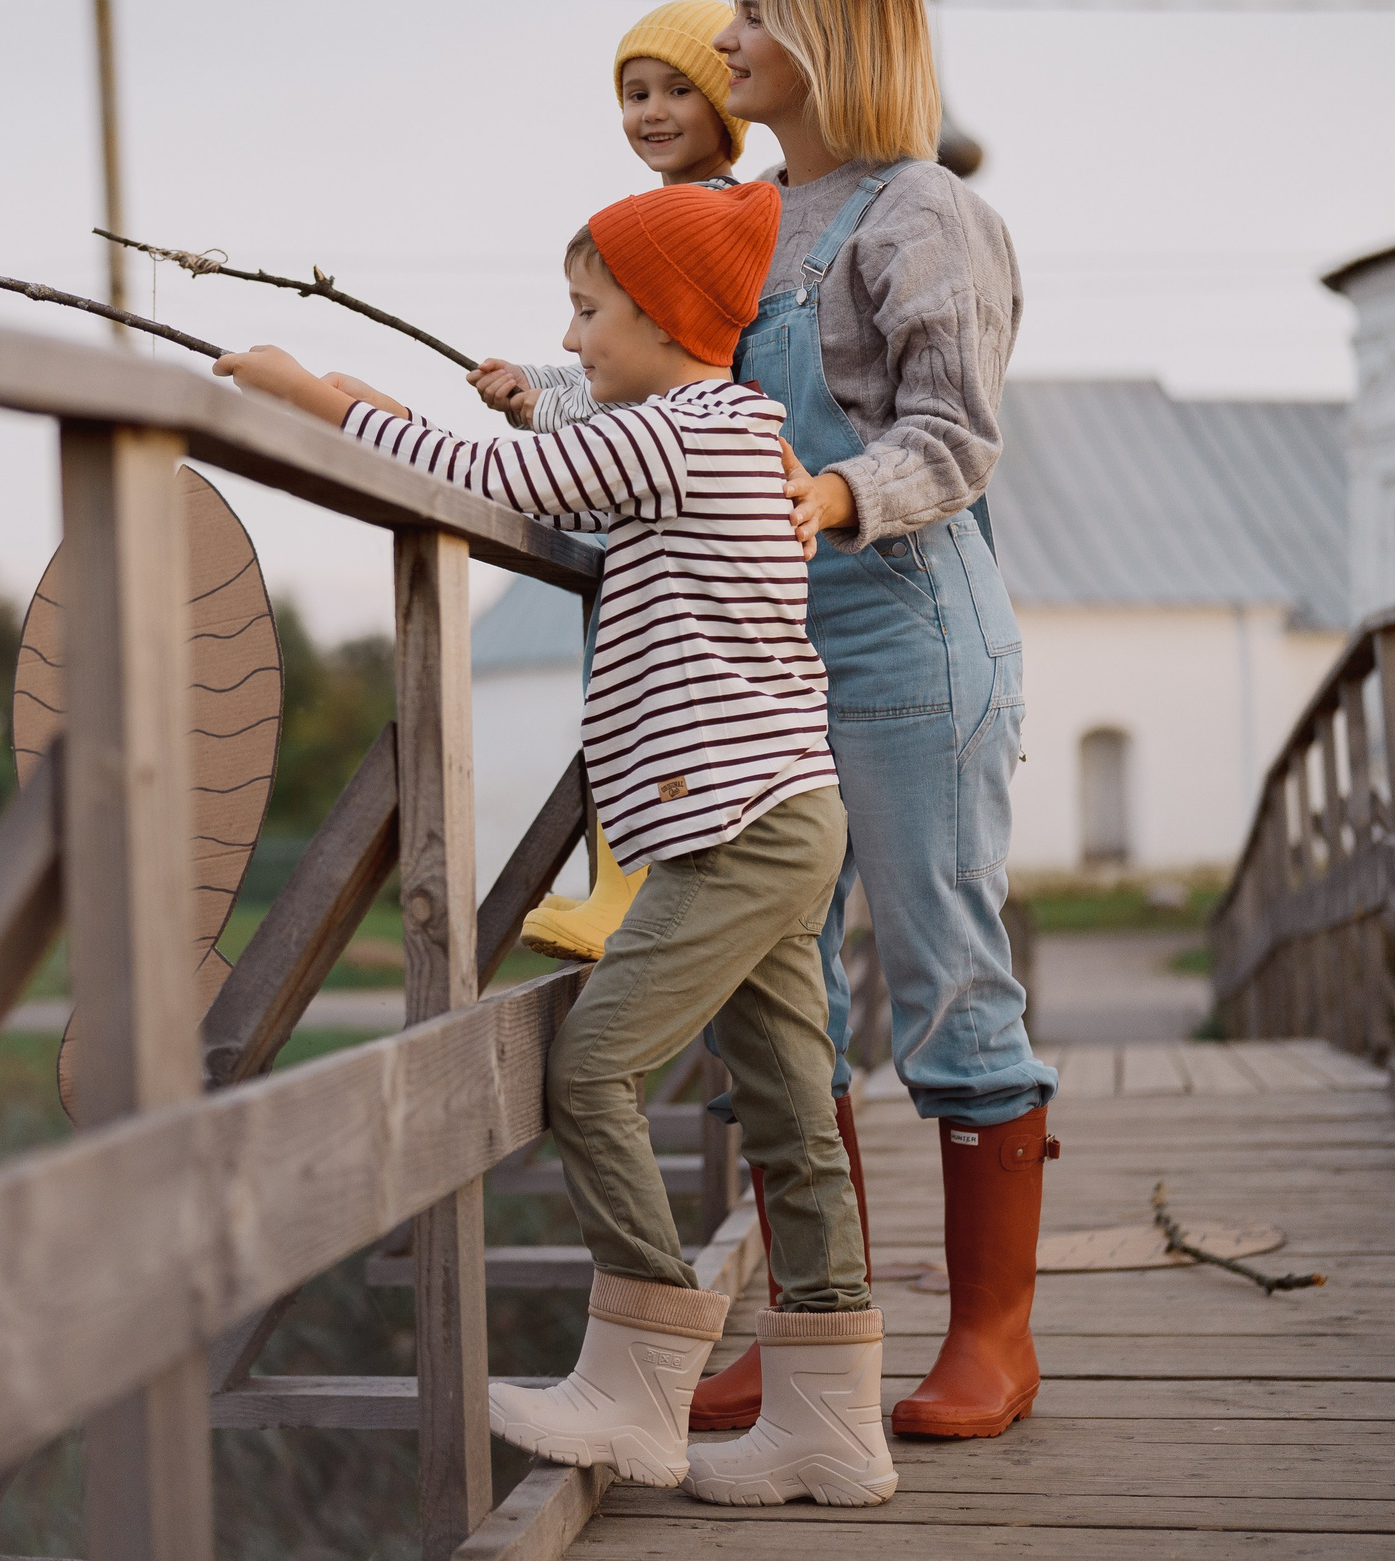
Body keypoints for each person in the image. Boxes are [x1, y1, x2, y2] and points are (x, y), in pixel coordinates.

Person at [215, 182, 896, 1507]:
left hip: (735, 832)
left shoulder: (676, 436)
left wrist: (314, 397)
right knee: (790, 1117)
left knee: (591, 1064)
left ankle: (638, 1379)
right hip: (770, 818)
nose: (572, 338)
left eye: (588, 311)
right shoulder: (733, 431)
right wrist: (391, 403)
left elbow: (492, 476)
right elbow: (539, 460)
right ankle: (834, 1424)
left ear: (663, 316)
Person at [685, 0, 1061, 1446]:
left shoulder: (931, 215)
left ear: (831, 34)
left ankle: (994, 1334)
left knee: (944, 970)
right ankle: (815, 1327)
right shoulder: (740, 219)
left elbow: (956, 440)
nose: (724, 41)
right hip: (773, 645)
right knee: (780, 989)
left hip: (909, 630)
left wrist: (833, 497)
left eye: (753, 12)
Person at [463, 0, 753, 967]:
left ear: (729, 106)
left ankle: (629, 897)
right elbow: (614, 369)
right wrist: (537, 387)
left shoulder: (701, 229)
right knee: (620, 704)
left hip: (672, 517)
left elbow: (659, 389)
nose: (652, 110)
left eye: (679, 89)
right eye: (635, 93)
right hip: (652, 499)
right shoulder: (660, 225)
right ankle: (618, 890)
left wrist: (546, 407)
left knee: (640, 709)